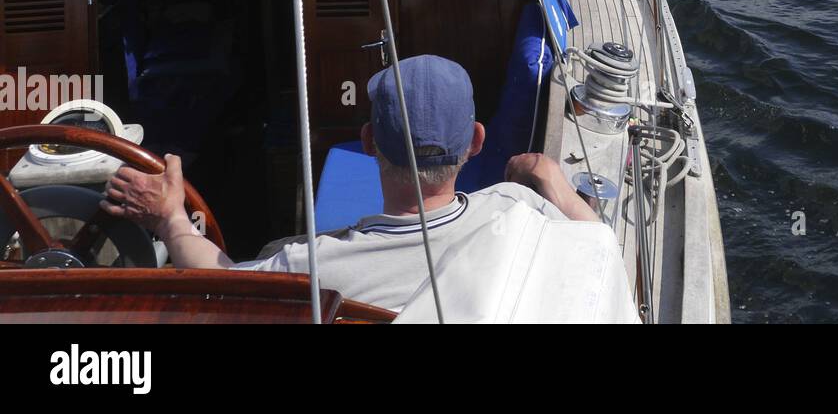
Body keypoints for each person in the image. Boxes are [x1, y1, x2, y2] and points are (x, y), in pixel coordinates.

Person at [102, 54, 600, 315]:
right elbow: (598, 245)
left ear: (367, 142)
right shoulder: (519, 210)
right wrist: (550, 177)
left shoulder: (313, 266)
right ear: (475, 142)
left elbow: (221, 282)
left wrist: (168, 220)